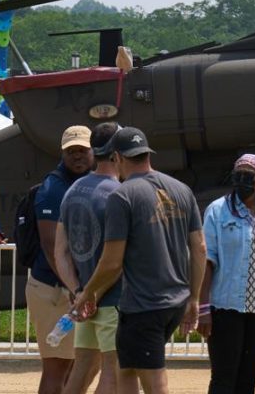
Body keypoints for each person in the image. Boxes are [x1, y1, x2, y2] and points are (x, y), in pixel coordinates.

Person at [73, 127, 206, 394]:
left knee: (154, 381)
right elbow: (200, 248)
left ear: (118, 157)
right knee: (126, 369)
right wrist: (194, 298)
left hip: (144, 305)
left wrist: (87, 293)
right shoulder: (181, 190)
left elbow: (112, 262)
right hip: (176, 300)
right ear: (146, 153)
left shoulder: (122, 196)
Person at [199, 154, 255, 394]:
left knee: (248, 378)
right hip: (226, 307)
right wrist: (203, 308)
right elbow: (207, 261)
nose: (242, 180)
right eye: (238, 174)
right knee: (223, 379)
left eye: (248, 176)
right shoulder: (217, 211)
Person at [54, 122, 122, 394]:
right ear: (118, 152)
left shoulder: (73, 190)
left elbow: (60, 251)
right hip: (113, 299)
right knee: (113, 373)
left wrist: (79, 292)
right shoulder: (119, 194)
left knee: (80, 372)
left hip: (83, 297)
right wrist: (93, 294)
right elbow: (116, 258)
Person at [29, 125, 94, 394]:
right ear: (62, 153)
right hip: (54, 288)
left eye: (82, 150)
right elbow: (50, 244)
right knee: (58, 368)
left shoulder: (92, 181)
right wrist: (73, 287)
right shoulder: (53, 188)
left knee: (81, 366)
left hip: (76, 289)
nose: (77, 156)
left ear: (93, 151)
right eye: (71, 151)